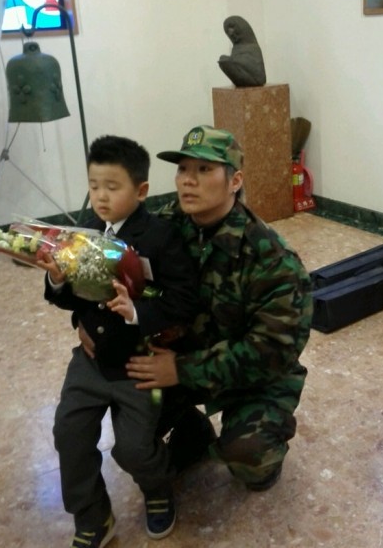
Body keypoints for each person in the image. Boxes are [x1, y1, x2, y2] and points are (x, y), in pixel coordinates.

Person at [123, 124, 313, 492]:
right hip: (183, 354)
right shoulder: (162, 227)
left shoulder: (271, 258)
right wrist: (85, 316)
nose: (187, 180)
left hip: (253, 377)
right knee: (132, 421)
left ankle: (261, 444)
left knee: (249, 456)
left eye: (204, 169)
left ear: (234, 181)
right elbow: (119, 271)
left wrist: (181, 369)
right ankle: (193, 431)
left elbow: (271, 351)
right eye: (182, 169)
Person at [39, 135, 199, 548]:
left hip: (139, 363)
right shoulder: (85, 231)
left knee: (133, 448)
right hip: (91, 360)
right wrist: (57, 279)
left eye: (112, 187)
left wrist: (137, 312)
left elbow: (184, 299)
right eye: (94, 186)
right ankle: (93, 517)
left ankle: (158, 488)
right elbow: (74, 298)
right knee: (69, 434)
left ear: (141, 190)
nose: (101, 197)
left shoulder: (160, 236)